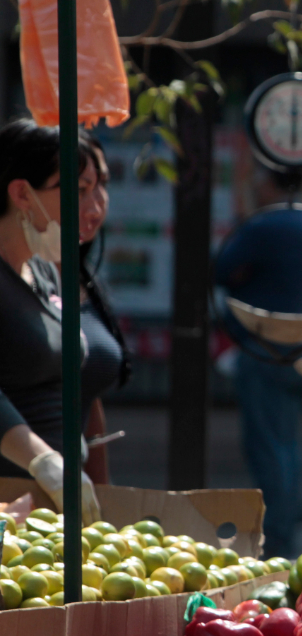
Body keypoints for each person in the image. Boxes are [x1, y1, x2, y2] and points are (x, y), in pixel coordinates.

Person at [214, 167, 302, 558]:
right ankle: (284, 531)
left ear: (268, 182)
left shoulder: (265, 225)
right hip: (296, 349)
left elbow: (221, 267)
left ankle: (276, 541)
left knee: (267, 448)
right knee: (288, 445)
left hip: (262, 350)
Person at [0, 119, 100, 524]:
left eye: (95, 190)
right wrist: (41, 459)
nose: (91, 208)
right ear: (22, 193)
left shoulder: (44, 272)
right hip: (11, 507)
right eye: (77, 191)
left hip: (54, 511)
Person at [70, 133, 131, 484]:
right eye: (80, 189)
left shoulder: (80, 278)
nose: (96, 205)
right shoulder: (16, 279)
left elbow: (86, 391)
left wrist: (103, 491)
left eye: (102, 184)